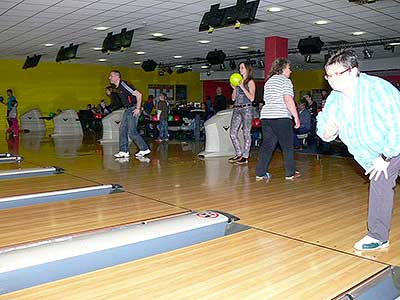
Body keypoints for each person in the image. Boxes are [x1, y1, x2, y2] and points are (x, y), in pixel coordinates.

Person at [317, 49, 400, 251]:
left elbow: (397, 124)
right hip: (372, 154)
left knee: (380, 182)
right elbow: (323, 127)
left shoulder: (378, 89)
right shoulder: (335, 99)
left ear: (353, 71)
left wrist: (385, 156)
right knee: (380, 183)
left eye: (338, 74)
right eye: (329, 75)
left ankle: (377, 236)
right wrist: (327, 131)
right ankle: (378, 236)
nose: (332, 80)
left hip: (392, 145)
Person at [255, 58, 301, 181]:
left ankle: (260, 173)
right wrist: (296, 116)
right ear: (283, 69)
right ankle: (290, 173)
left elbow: (267, 100)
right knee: (287, 146)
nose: (290, 71)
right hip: (281, 116)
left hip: (266, 117)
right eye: (289, 68)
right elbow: (287, 99)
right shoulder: (285, 81)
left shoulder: (269, 82)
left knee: (267, 145)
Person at [108, 70, 151, 159]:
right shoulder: (118, 87)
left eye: (111, 76)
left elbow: (139, 95)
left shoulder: (124, 85)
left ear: (117, 77)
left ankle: (145, 148)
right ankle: (124, 151)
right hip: (127, 109)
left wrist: (138, 109)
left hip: (133, 108)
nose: (109, 78)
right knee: (122, 129)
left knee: (132, 132)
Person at [229, 61, 256, 164]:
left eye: (242, 68)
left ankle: (245, 156)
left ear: (247, 69)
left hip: (247, 109)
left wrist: (242, 87)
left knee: (246, 133)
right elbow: (233, 98)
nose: (240, 70)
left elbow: (252, 98)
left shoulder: (250, 82)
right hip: (237, 108)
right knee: (232, 133)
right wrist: (235, 88)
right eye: (239, 68)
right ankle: (239, 153)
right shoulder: (237, 82)